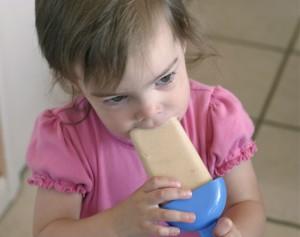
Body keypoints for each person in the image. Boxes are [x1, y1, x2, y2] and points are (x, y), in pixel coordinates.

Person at [26, 1, 266, 237]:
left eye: (164, 79)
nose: (150, 111)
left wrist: (239, 230)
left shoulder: (213, 120)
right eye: (118, 98)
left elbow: (247, 204)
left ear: (181, 36)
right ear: (73, 80)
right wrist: (117, 224)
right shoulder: (68, 142)